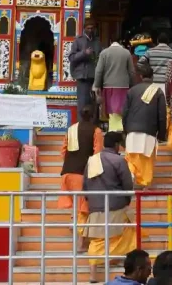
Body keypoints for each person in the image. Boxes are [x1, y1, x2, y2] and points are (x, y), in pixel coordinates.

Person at [84, 132, 136, 283]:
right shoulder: (119, 160)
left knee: (97, 240)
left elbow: (85, 185)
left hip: (95, 206)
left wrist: (91, 202)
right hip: (116, 205)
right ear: (116, 145)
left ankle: (93, 274)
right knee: (130, 229)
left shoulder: (91, 160)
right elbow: (127, 185)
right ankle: (116, 257)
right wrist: (126, 201)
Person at [60, 105, 104, 251]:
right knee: (84, 209)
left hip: (67, 173)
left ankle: (73, 222)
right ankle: (81, 243)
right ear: (93, 116)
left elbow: (63, 151)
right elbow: (97, 154)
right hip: (82, 174)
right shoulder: (96, 131)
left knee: (77, 206)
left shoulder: (71, 129)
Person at [121, 63, 168, 187]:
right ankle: (145, 185)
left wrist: (125, 130)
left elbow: (124, 112)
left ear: (141, 76)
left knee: (132, 158)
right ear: (152, 77)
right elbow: (162, 115)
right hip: (149, 131)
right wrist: (162, 134)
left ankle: (131, 180)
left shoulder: (131, 91)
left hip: (132, 131)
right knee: (146, 160)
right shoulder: (158, 91)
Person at [94, 39, 138, 132]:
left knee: (112, 111)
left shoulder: (104, 53)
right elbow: (132, 72)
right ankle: (119, 130)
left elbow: (99, 71)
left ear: (110, 43)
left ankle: (115, 131)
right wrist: (132, 85)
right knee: (121, 109)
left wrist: (97, 85)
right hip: (123, 86)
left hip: (108, 86)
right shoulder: (126, 53)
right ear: (120, 43)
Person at [70, 22, 101, 114]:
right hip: (82, 76)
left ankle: (92, 126)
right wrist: (84, 53)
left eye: (92, 28)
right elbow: (71, 57)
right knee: (83, 103)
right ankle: (82, 126)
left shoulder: (97, 42)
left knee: (94, 103)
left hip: (94, 76)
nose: (90, 30)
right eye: (88, 28)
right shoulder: (78, 41)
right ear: (84, 29)